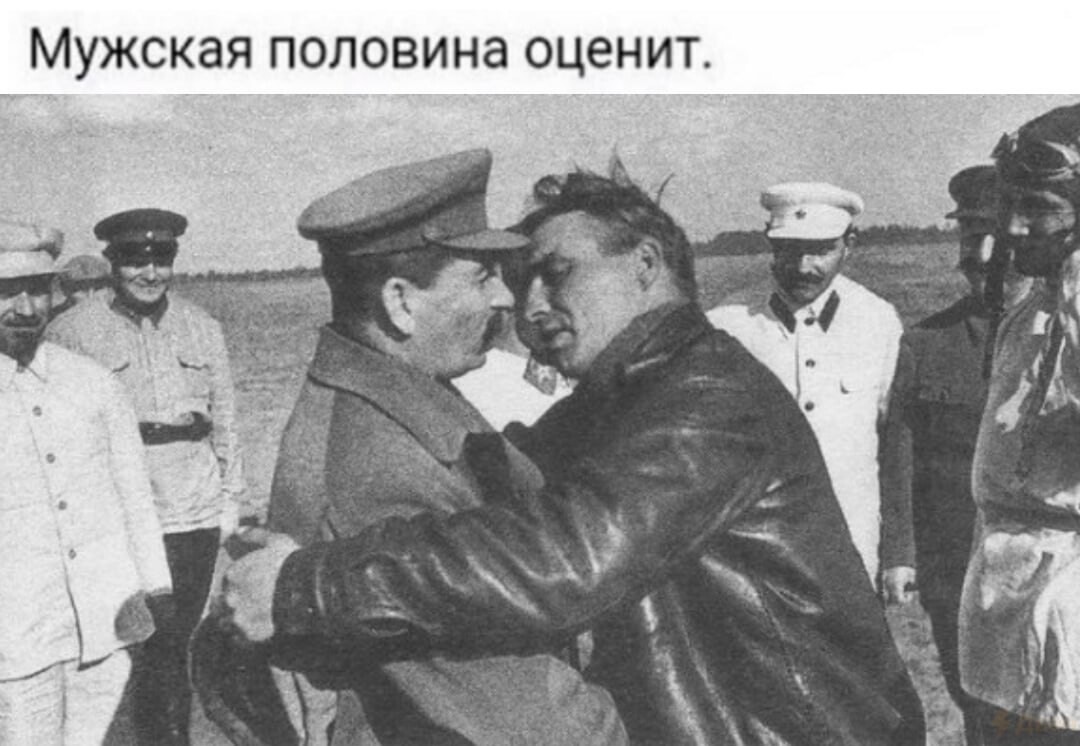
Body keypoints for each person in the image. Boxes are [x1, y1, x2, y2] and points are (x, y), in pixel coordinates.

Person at [222, 163, 925, 744]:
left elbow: (567, 554)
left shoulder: (706, 396)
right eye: (514, 278)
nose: (528, 308)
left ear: (645, 264)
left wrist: (305, 587)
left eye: (556, 273)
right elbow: (506, 482)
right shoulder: (627, 398)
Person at [261, 148, 625, 746]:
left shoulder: (409, 393)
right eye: (482, 277)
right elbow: (531, 723)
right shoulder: (377, 472)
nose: (505, 298)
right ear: (401, 302)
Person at [46, 208, 246, 745]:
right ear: (114, 264)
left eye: (161, 260)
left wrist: (231, 499)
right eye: (136, 261)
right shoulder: (71, 333)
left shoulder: (203, 327)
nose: (150, 273)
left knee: (176, 640)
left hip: (193, 513)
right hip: (119, 517)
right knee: (124, 643)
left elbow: (226, 420)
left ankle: (169, 736)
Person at [0, 220, 173, 745]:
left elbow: (136, 499)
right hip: (16, 644)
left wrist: (156, 591)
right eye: (7, 291)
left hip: (105, 631)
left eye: (37, 290)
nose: (25, 308)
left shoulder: (93, 384)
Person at [707, 183, 916, 599]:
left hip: (852, 548)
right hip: (752, 554)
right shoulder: (726, 325)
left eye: (820, 250)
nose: (804, 267)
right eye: (789, 250)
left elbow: (895, 444)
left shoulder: (878, 322)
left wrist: (898, 553)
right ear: (769, 242)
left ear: (849, 244)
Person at [897, 165, 1031, 743]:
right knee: (977, 709)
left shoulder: (1061, 336)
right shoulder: (925, 342)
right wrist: (906, 557)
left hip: (1045, 570)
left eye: (996, 238)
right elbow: (902, 462)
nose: (981, 256)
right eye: (969, 237)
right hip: (955, 570)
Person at [959, 103, 1080, 743]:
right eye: (1010, 204)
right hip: (997, 594)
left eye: (1038, 207)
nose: (1013, 226)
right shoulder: (1025, 313)